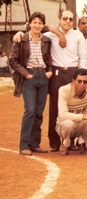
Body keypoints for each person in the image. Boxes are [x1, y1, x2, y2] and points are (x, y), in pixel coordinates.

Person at [9, 12, 52, 155]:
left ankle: (35, 143)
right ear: (29, 24)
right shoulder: (21, 39)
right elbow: (13, 60)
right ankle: (24, 145)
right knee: (30, 110)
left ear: (43, 25)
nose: (37, 25)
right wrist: (25, 74)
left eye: (40, 23)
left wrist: (49, 71)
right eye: (34, 22)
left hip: (43, 77)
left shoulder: (46, 40)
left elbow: (50, 58)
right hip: (29, 76)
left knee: (39, 112)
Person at [45, 11, 86, 152]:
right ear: (59, 19)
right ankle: (54, 142)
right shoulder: (50, 35)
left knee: (73, 107)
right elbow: (37, 27)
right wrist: (59, 34)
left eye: (70, 19)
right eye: (64, 18)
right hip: (57, 72)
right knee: (55, 108)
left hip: (73, 72)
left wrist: (82, 75)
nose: (67, 21)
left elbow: (83, 55)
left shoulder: (77, 35)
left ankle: (71, 140)